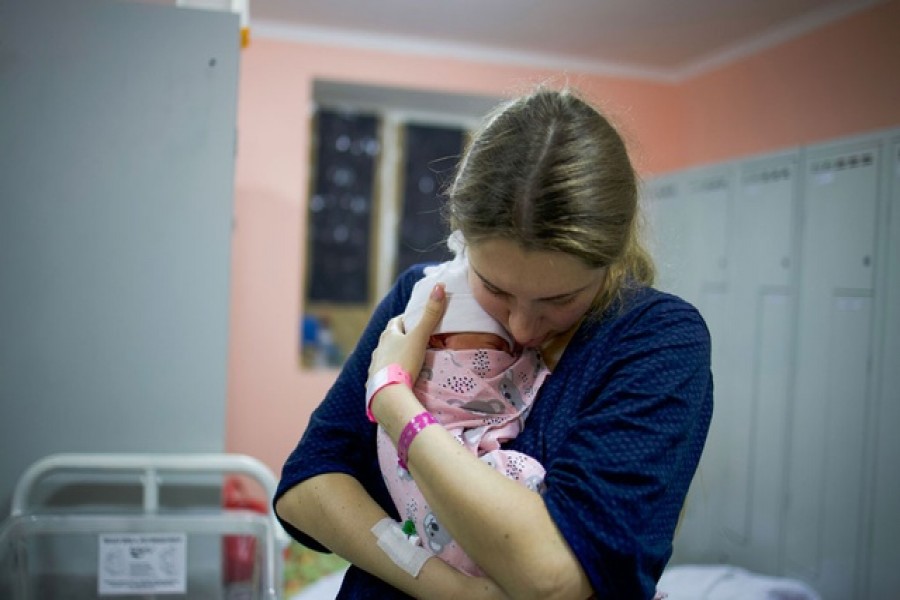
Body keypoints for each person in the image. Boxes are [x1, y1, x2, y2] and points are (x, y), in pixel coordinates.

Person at [274, 85, 713, 599]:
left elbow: (552, 578)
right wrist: (448, 589)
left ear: (610, 261)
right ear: (463, 243)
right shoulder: (425, 295)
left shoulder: (657, 341)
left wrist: (393, 399)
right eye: (497, 290)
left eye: (560, 299)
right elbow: (306, 486)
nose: (524, 327)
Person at [375, 231, 551, 578]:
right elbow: (303, 485)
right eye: (489, 346)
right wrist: (392, 390)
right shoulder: (427, 370)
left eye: (505, 350)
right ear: (435, 341)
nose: (517, 339)